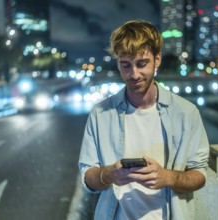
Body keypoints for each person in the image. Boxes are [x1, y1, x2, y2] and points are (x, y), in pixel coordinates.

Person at [78, 19, 210, 220]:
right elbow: (88, 177)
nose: (134, 74)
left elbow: (200, 174)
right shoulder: (100, 114)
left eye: (141, 64)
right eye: (126, 65)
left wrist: (167, 177)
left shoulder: (186, 112)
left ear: (157, 59)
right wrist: (110, 174)